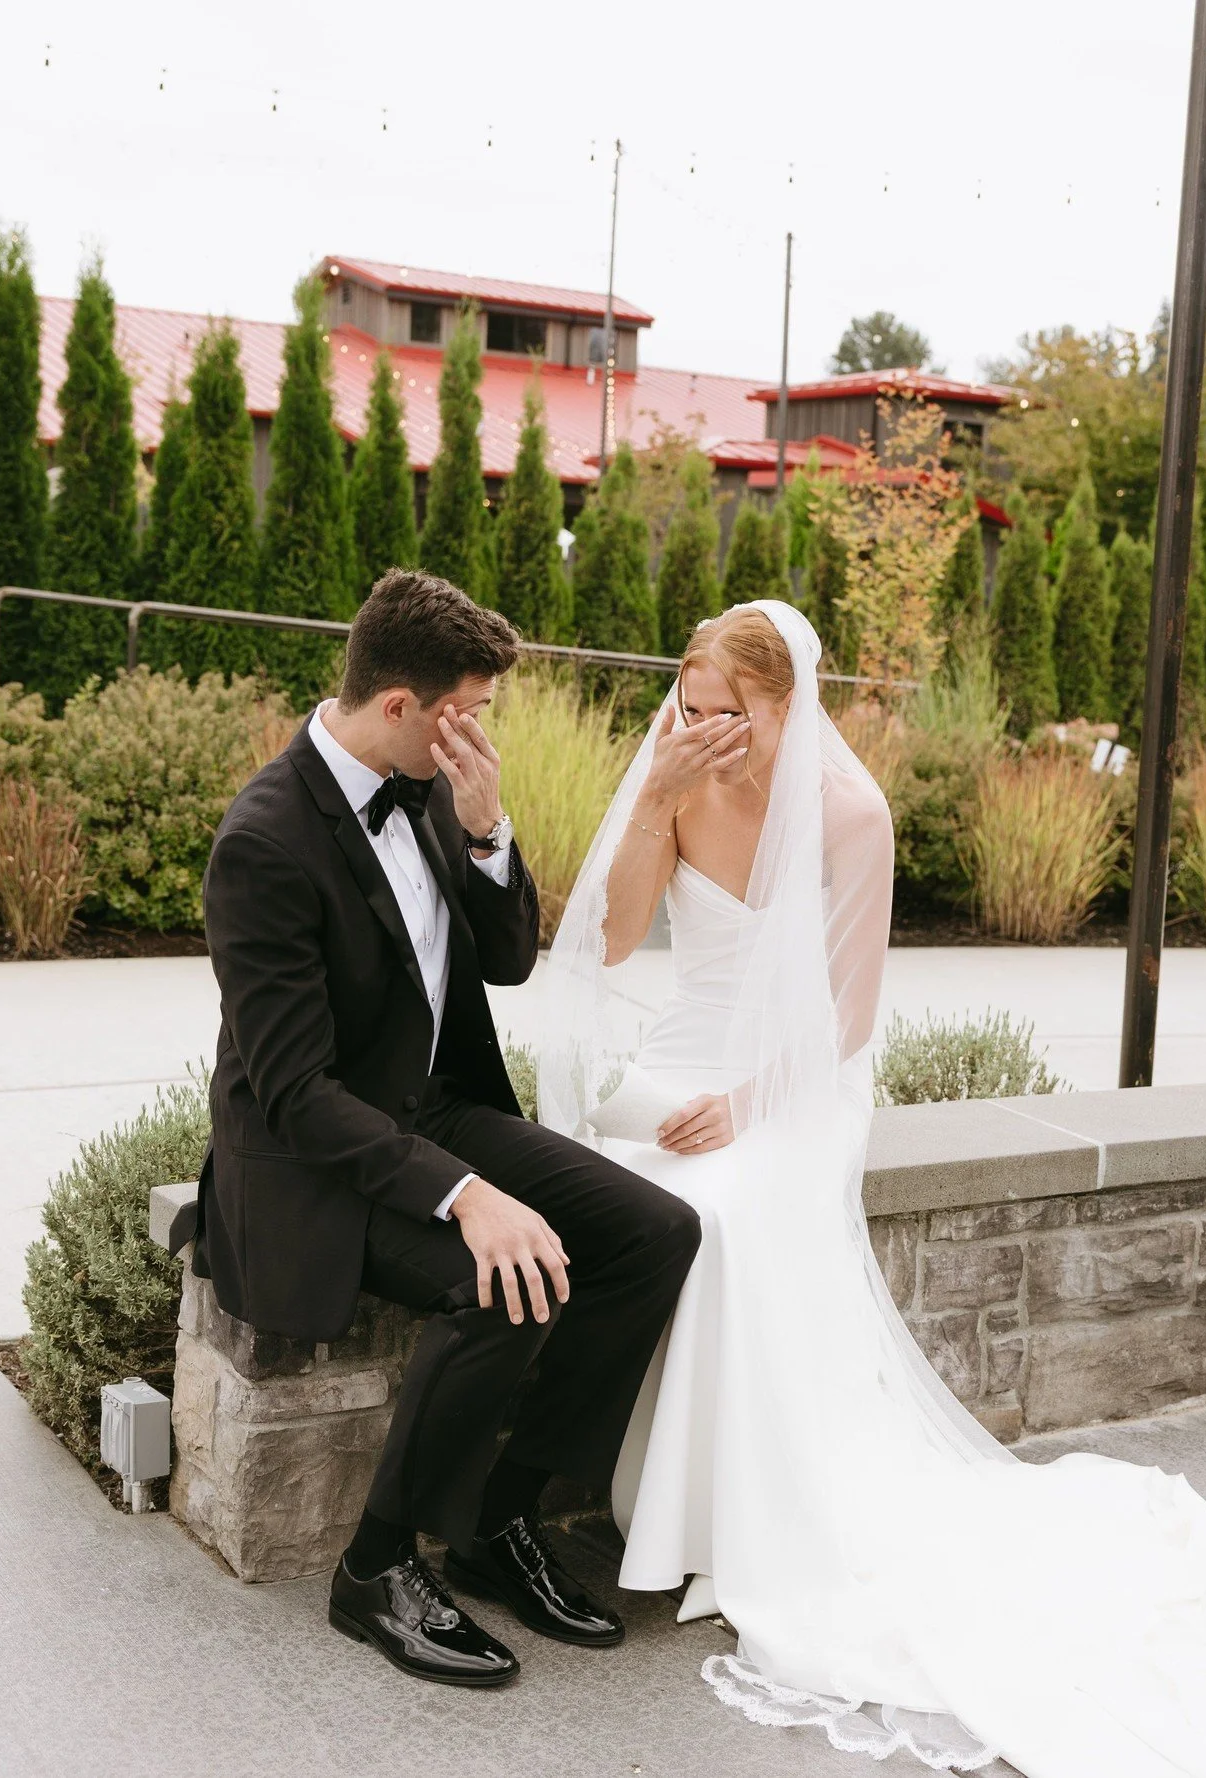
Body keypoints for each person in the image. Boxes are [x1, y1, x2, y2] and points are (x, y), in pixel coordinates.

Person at [536, 600, 1206, 1776]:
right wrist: (652, 795)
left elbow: (846, 1020)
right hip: (684, 1058)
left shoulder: (852, 814)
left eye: (722, 712)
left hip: (799, 1086)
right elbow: (622, 936)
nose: (695, 727)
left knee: (721, 1212)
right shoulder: (676, 771)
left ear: (787, 705)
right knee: (616, 1184)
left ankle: (730, 1530)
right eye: (685, 706)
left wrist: (746, 1105)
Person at [198, 569, 700, 1689]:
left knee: (654, 1232)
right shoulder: (264, 840)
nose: (478, 733)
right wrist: (466, 1194)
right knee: (499, 1276)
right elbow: (291, 1088)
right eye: (467, 710)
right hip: (313, 1159)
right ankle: (374, 1567)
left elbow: (509, 960)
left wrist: (487, 833)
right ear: (399, 705)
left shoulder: (427, 783)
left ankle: (494, 1519)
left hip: (433, 1107)